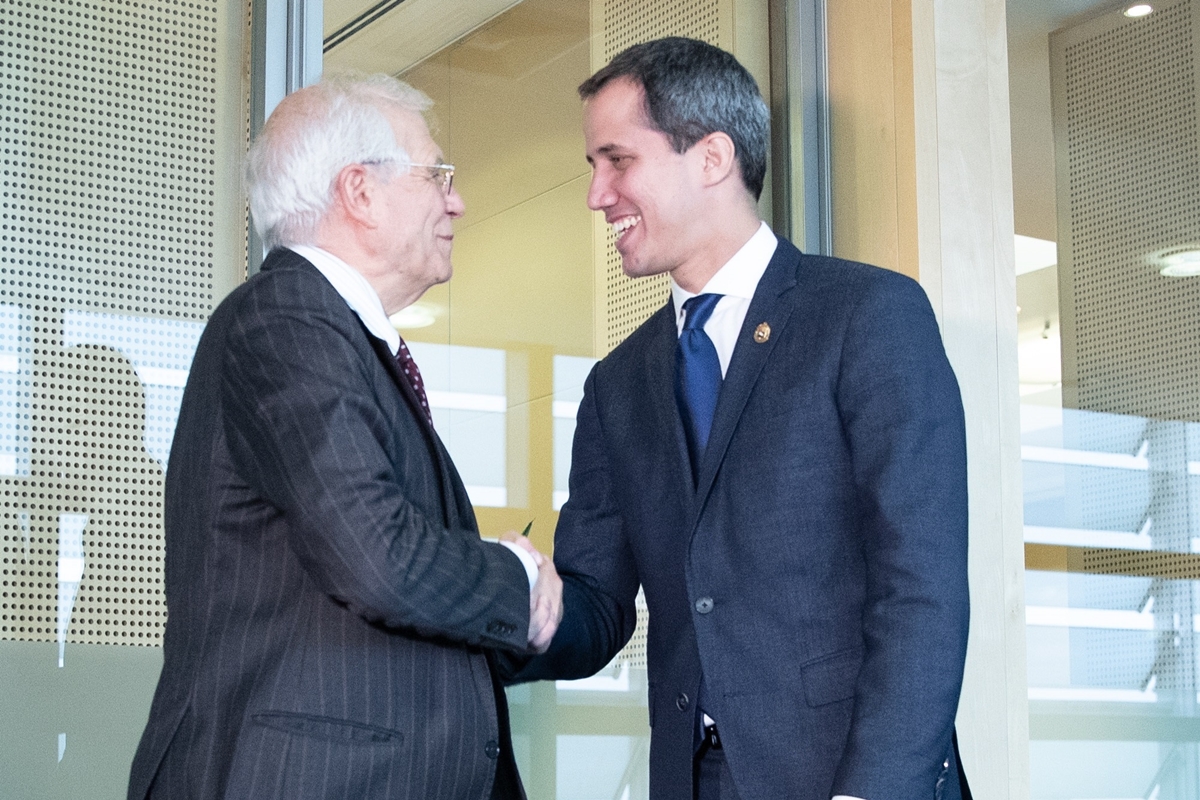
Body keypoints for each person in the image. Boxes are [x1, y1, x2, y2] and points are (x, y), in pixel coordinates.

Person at [501, 37, 970, 800]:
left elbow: (920, 587)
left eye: (618, 161)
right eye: (594, 166)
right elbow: (595, 603)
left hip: (850, 779)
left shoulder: (867, 316)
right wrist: (486, 603)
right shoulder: (617, 385)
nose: (596, 195)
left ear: (712, 157)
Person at [127, 73, 561, 800]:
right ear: (358, 191)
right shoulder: (286, 317)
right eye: (438, 175)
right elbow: (378, 558)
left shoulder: (333, 334)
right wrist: (514, 579)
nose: (457, 201)